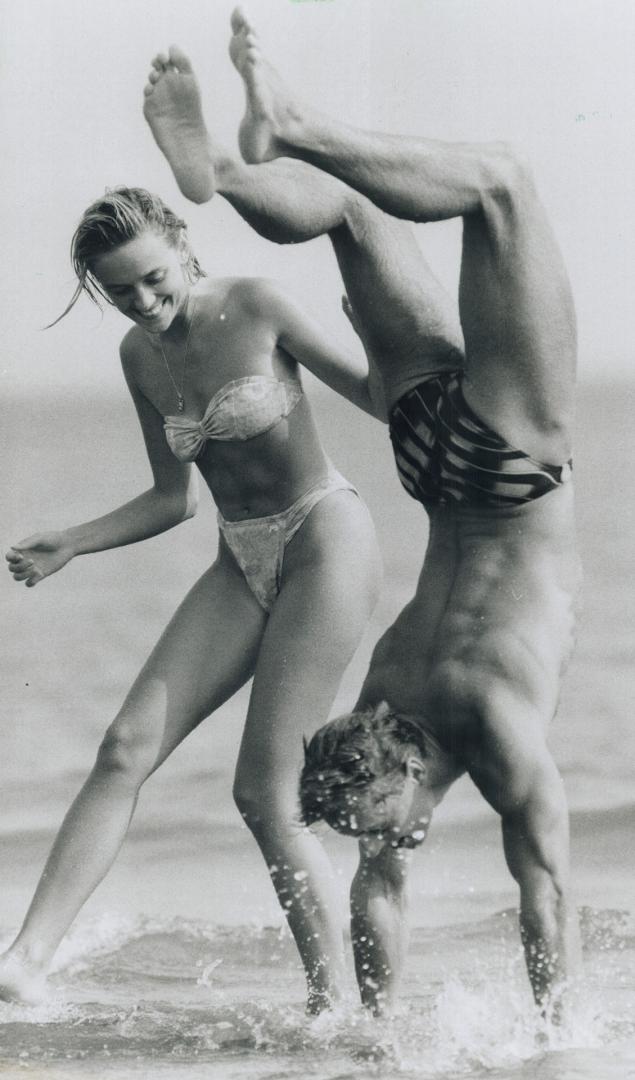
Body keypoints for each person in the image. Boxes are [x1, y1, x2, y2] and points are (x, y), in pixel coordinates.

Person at [137, 9, 583, 1019]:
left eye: (390, 816)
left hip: (501, 465)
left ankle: (275, 134)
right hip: (434, 459)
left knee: (501, 184)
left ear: (394, 756)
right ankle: (227, 169)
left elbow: (540, 891)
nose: (399, 834)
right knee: (353, 214)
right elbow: (408, 873)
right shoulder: (383, 719)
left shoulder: (448, 719)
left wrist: (549, 1037)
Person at [1, 184, 383, 1013]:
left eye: (151, 277)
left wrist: (378, 335)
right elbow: (172, 499)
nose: (143, 301)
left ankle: (336, 1012)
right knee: (124, 747)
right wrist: (71, 541)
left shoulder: (258, 304)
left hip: (325, 537)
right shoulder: (140, 358)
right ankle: (23, 962)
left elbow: (383, 399)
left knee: (265, 795)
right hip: (238, 559)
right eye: (120, 291)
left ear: (179, 240)